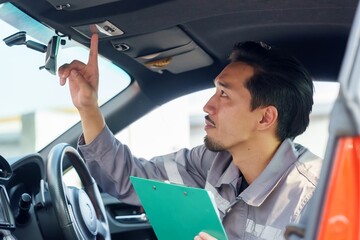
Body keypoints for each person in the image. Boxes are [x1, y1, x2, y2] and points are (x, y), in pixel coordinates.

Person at [58, 34, 322, 240]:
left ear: (265, 118)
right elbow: (130, 179)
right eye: (215, 90)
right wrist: (88, 108)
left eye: (224, 95)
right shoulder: (211, 162)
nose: (208, 106)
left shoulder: (316, 196)